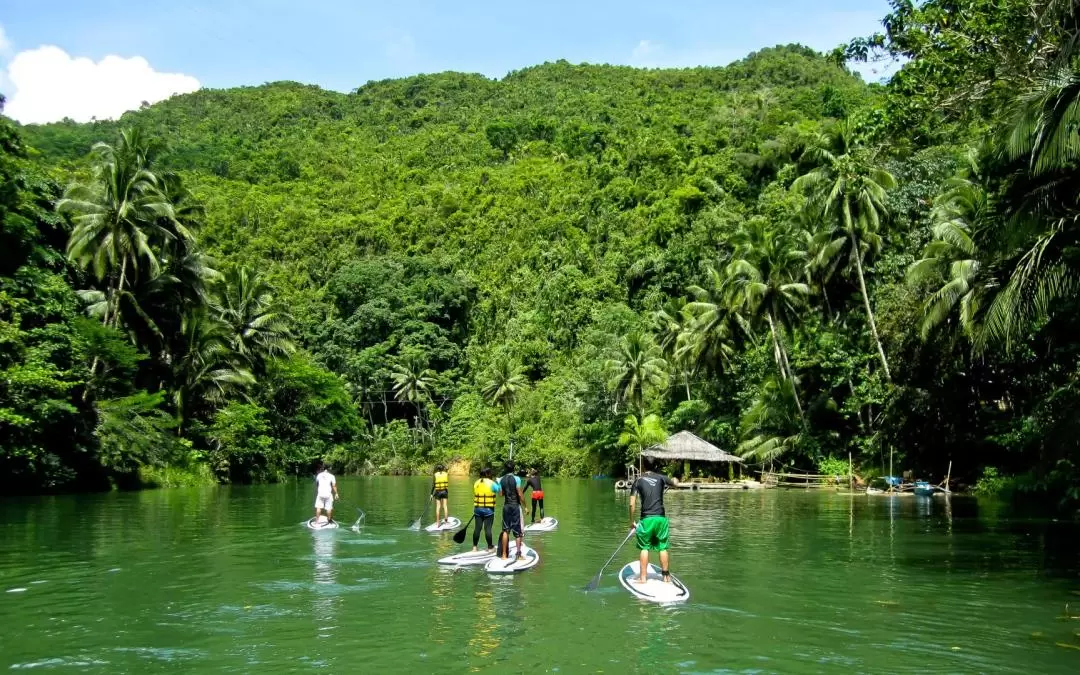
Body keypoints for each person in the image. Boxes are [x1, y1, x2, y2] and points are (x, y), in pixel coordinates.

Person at [628, 458, 677, 584]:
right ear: (655, 465)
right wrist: (675, 481)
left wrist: (632, 521)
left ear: (643, 466)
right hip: (661, 518)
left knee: (644, 548)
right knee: (662, 547)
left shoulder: (638, 480)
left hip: (646, 519)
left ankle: (643, 578)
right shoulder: (661, 478)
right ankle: (666, 577)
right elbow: (675, 483)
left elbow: (632, 504)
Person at [497, 460, 525, 560]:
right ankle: (518, 554)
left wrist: (498, 483)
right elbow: (520, 494)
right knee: (517, 532)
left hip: (506, 506)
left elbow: (500, 495)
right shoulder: (516, 479)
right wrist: (525, 505)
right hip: (515, 506)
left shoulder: (501, 480)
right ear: (513, 468)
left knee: (505, 530)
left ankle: (504, 555)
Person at [471, 466, 500, 552]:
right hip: (488, 510)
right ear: (488, 474)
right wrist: (498, 482)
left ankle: (474, 548)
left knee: (477, 528)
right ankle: (490, 547)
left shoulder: (476, 482)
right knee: (487, 529)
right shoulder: (492, 483)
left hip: (477, 509)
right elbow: (499, 491)